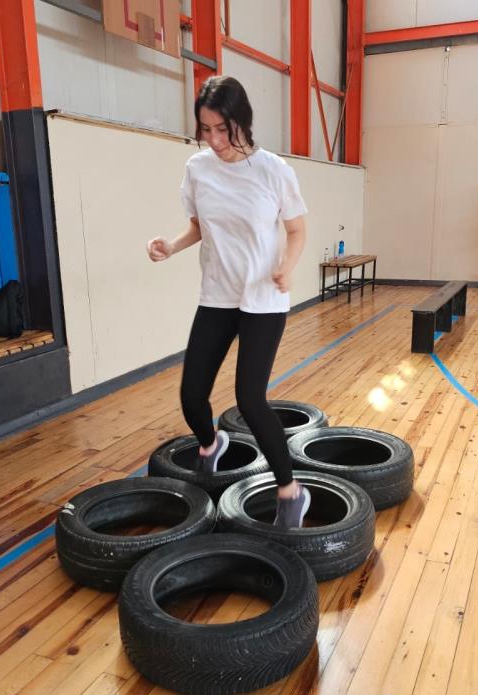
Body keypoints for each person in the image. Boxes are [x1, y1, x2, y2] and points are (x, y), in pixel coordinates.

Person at [146, 76, 311, 528]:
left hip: (263, 298)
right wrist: (170, 246)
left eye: (223, 129)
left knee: (250, 401)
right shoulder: (198, 168)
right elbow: (199, 226)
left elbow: (296, 230)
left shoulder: (273, 170)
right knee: (191, 395)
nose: (214, 140)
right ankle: (211, 443)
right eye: (206, 129)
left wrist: (287, 266)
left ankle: (291, 491)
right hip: (218, 294)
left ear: (242, 121)